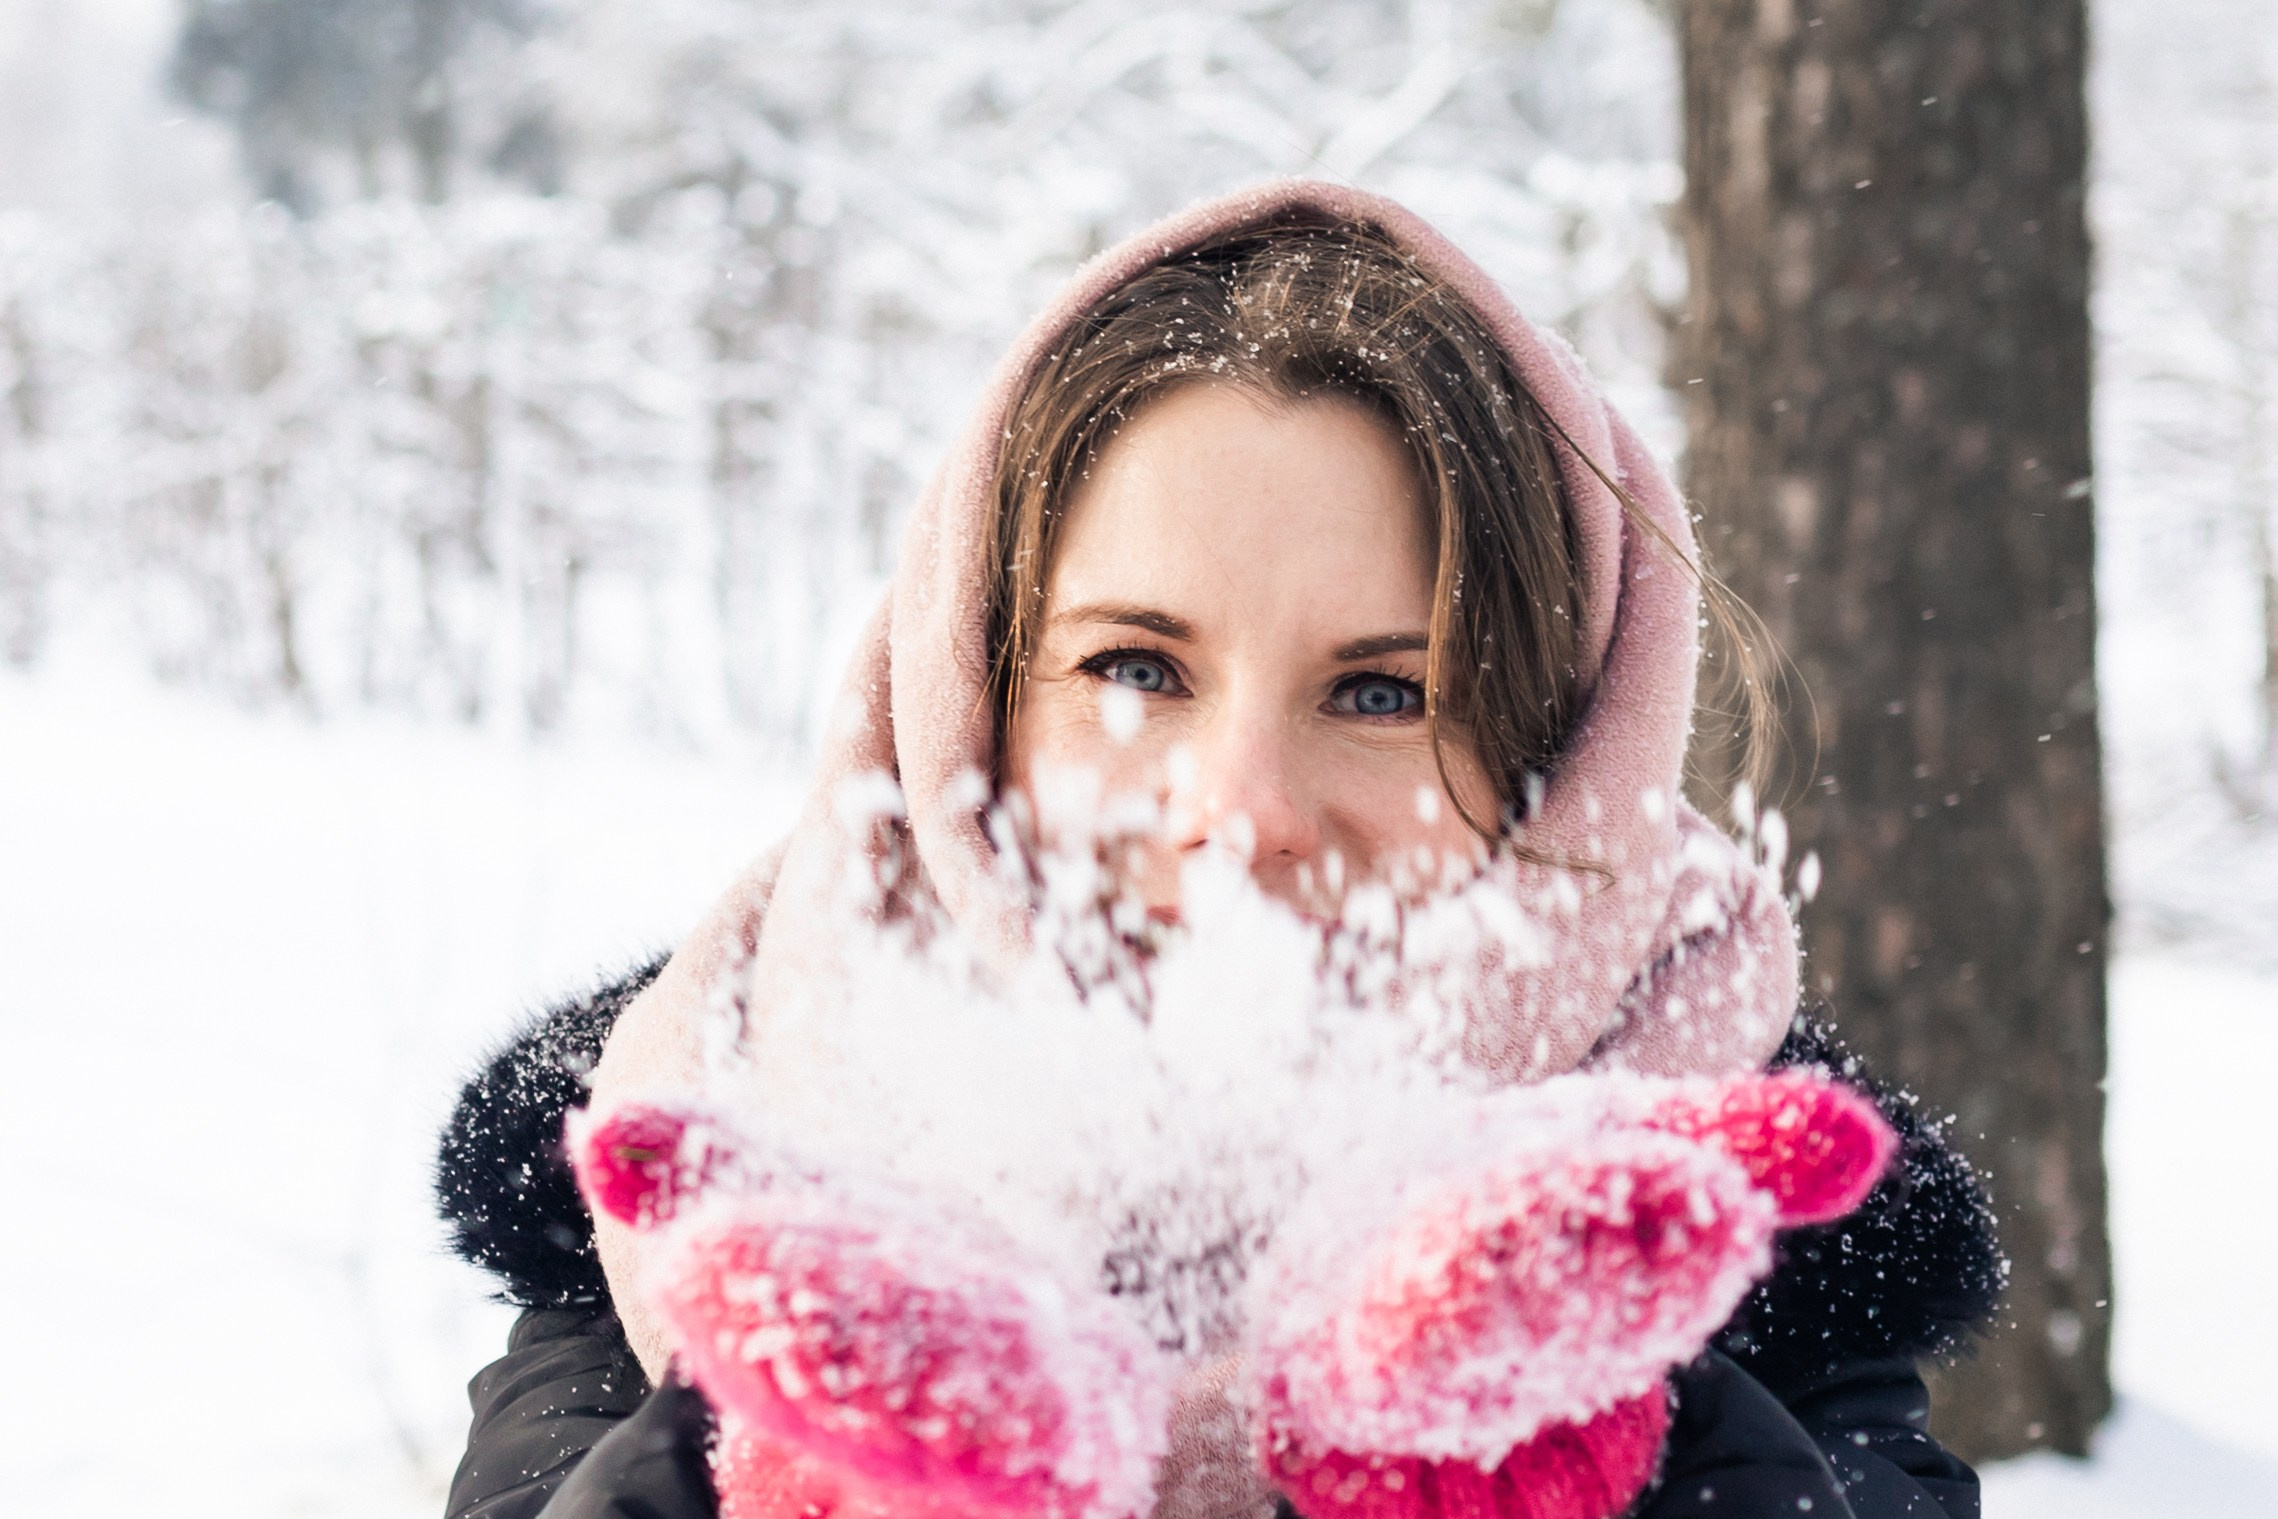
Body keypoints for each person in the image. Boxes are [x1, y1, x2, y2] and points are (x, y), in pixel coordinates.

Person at [435, 183, 2002, 1519]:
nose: (1242, 810)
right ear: (967, 699)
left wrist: (1613, 1455)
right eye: (1134, 669)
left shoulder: (1740, 1239)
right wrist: (764, 1465)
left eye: (1384, 692)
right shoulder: (699, 1171)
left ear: (1556, 755)